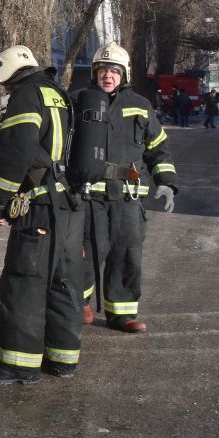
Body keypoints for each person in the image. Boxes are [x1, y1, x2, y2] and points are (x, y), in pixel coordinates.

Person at [0, 45, 83, 385]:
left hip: (37, 207)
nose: (3, 88)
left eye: (1, 81)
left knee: (24, 284)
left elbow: (16, 151)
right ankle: (61, 359)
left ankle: (18, 367)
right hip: (64, 205)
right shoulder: (57, 94)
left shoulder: (26, 96)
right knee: (61, 282)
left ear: (9, 72)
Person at [75, 43, 176, 334]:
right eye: (103, 70)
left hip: (128, 196)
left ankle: (122, 314)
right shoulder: (78, 101)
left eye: (114, 71)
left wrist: (167, 182)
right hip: (88, 195)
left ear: (124, 74)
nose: (108, 75)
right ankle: (77, 303)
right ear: (95, 73)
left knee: (127, 252)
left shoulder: (140, 105)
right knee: (87, 250)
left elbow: (158, 147)